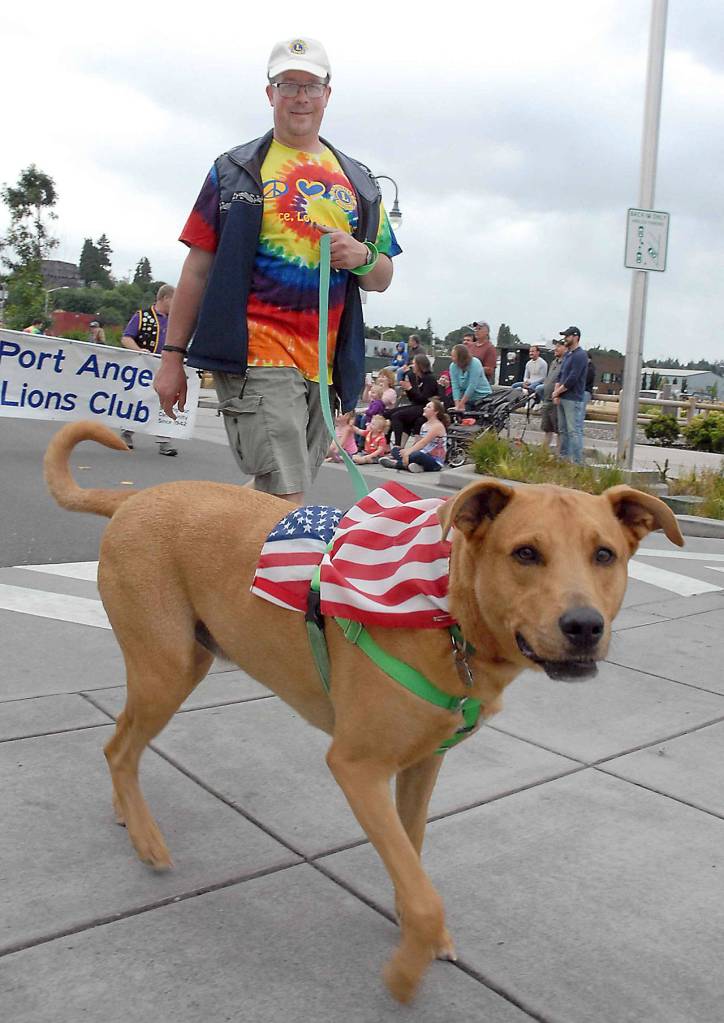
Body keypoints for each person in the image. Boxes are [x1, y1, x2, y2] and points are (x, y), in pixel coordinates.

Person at [154, 36, 401, 503]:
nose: (300, 97)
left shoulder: (360, 181)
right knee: (286, 494)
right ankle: (264, 575)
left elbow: (382, 276)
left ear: (328, 94)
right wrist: (172, 359)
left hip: (323, 367)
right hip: (257, 353)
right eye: (288, 85)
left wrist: (362, 255)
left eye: (311, 86)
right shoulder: (234, 170)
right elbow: (197, 270)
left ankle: (197, 542)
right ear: (270, 94)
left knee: (278, 490)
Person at [119, 284, 177, 455]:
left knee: (166, 402)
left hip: (167, 368)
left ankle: (165, 440)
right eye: (174, 300)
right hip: (144, 368)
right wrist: (139, 351)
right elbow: (126, 338)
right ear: (165, 298)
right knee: (139, 400)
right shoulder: (142, 316)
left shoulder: (175, 320)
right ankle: (127, 433)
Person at [379, 398, 449, 473]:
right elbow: (418, 443)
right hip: (423, 453)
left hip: (434, 461)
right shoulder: (425, 425)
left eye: (428, 407)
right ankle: (416, 466)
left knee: (417, 455)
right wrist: (406, 451)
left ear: (436, 412)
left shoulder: (437, 426)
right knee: (395, 450)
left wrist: (408, 452)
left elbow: (423, 442)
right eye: (425, 406)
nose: (424, 408)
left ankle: (397, 463)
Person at [387, 352, 439, 446]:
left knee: (397, 416)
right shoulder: (418, 378)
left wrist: (410, 388)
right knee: (387, 413)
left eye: (414, 363)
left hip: (425, 406)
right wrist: (407, 389)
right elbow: (413, 398)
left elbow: (424, 399)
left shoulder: (429, 378)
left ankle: (397, 446)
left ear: (420, 365)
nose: (412, 366)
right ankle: (386, 445)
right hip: (416, 405)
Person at [553, 326, 588, 464]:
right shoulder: (568, 355)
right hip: (562, 397)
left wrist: (558, 391)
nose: (565, 339)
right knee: (563, 430)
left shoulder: (581, 355)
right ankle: (564, 459)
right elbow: (561, 374)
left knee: (574, 431)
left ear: (575, 337)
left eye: (567, 336)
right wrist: (556, 393)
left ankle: (577, 462)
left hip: (573, 399)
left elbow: (573, 378)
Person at [540, 338, 566, 453]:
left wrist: (557, 394)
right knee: (547, 429)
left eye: (559, 346)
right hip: (546, 400)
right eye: (556, 346)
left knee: (558, 430)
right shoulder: (554, 362)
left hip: (557, 400)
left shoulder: (566, 362)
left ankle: (558, 455)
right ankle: (543, 454)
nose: (556, 348)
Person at [449, 343, 492, 412]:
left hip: (481, 396)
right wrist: (457, 405)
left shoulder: (475, 363)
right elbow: (455, 385)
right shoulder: (453, 366)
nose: (452, 358)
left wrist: (462, 403)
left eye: (454, 356)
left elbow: (472, 385)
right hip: (464, 397)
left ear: (461, 357)